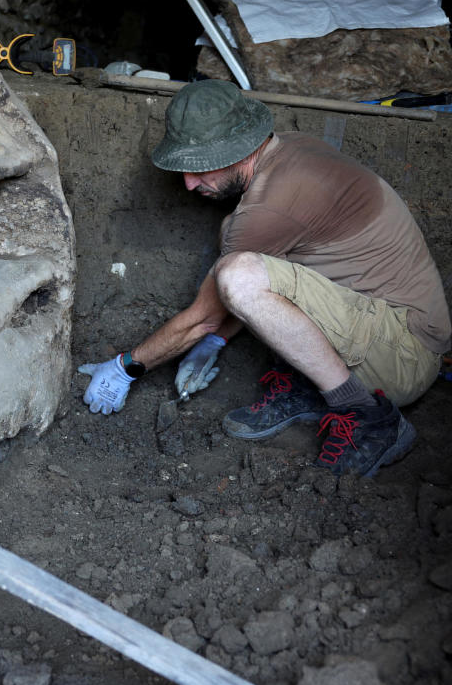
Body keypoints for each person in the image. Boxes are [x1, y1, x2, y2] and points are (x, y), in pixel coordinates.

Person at [78, 79, 451, 478]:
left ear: (241, 150)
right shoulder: (288, 151)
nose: (188, 183)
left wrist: (126, 367)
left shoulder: (274, 206)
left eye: (201, 165)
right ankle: (312, 385)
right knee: (233, 237)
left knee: (238, 273)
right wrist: (216, 341)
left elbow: (209, 311)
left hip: (403, 355)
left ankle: (367, 415)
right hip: (375, 326)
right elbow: (262, 272)